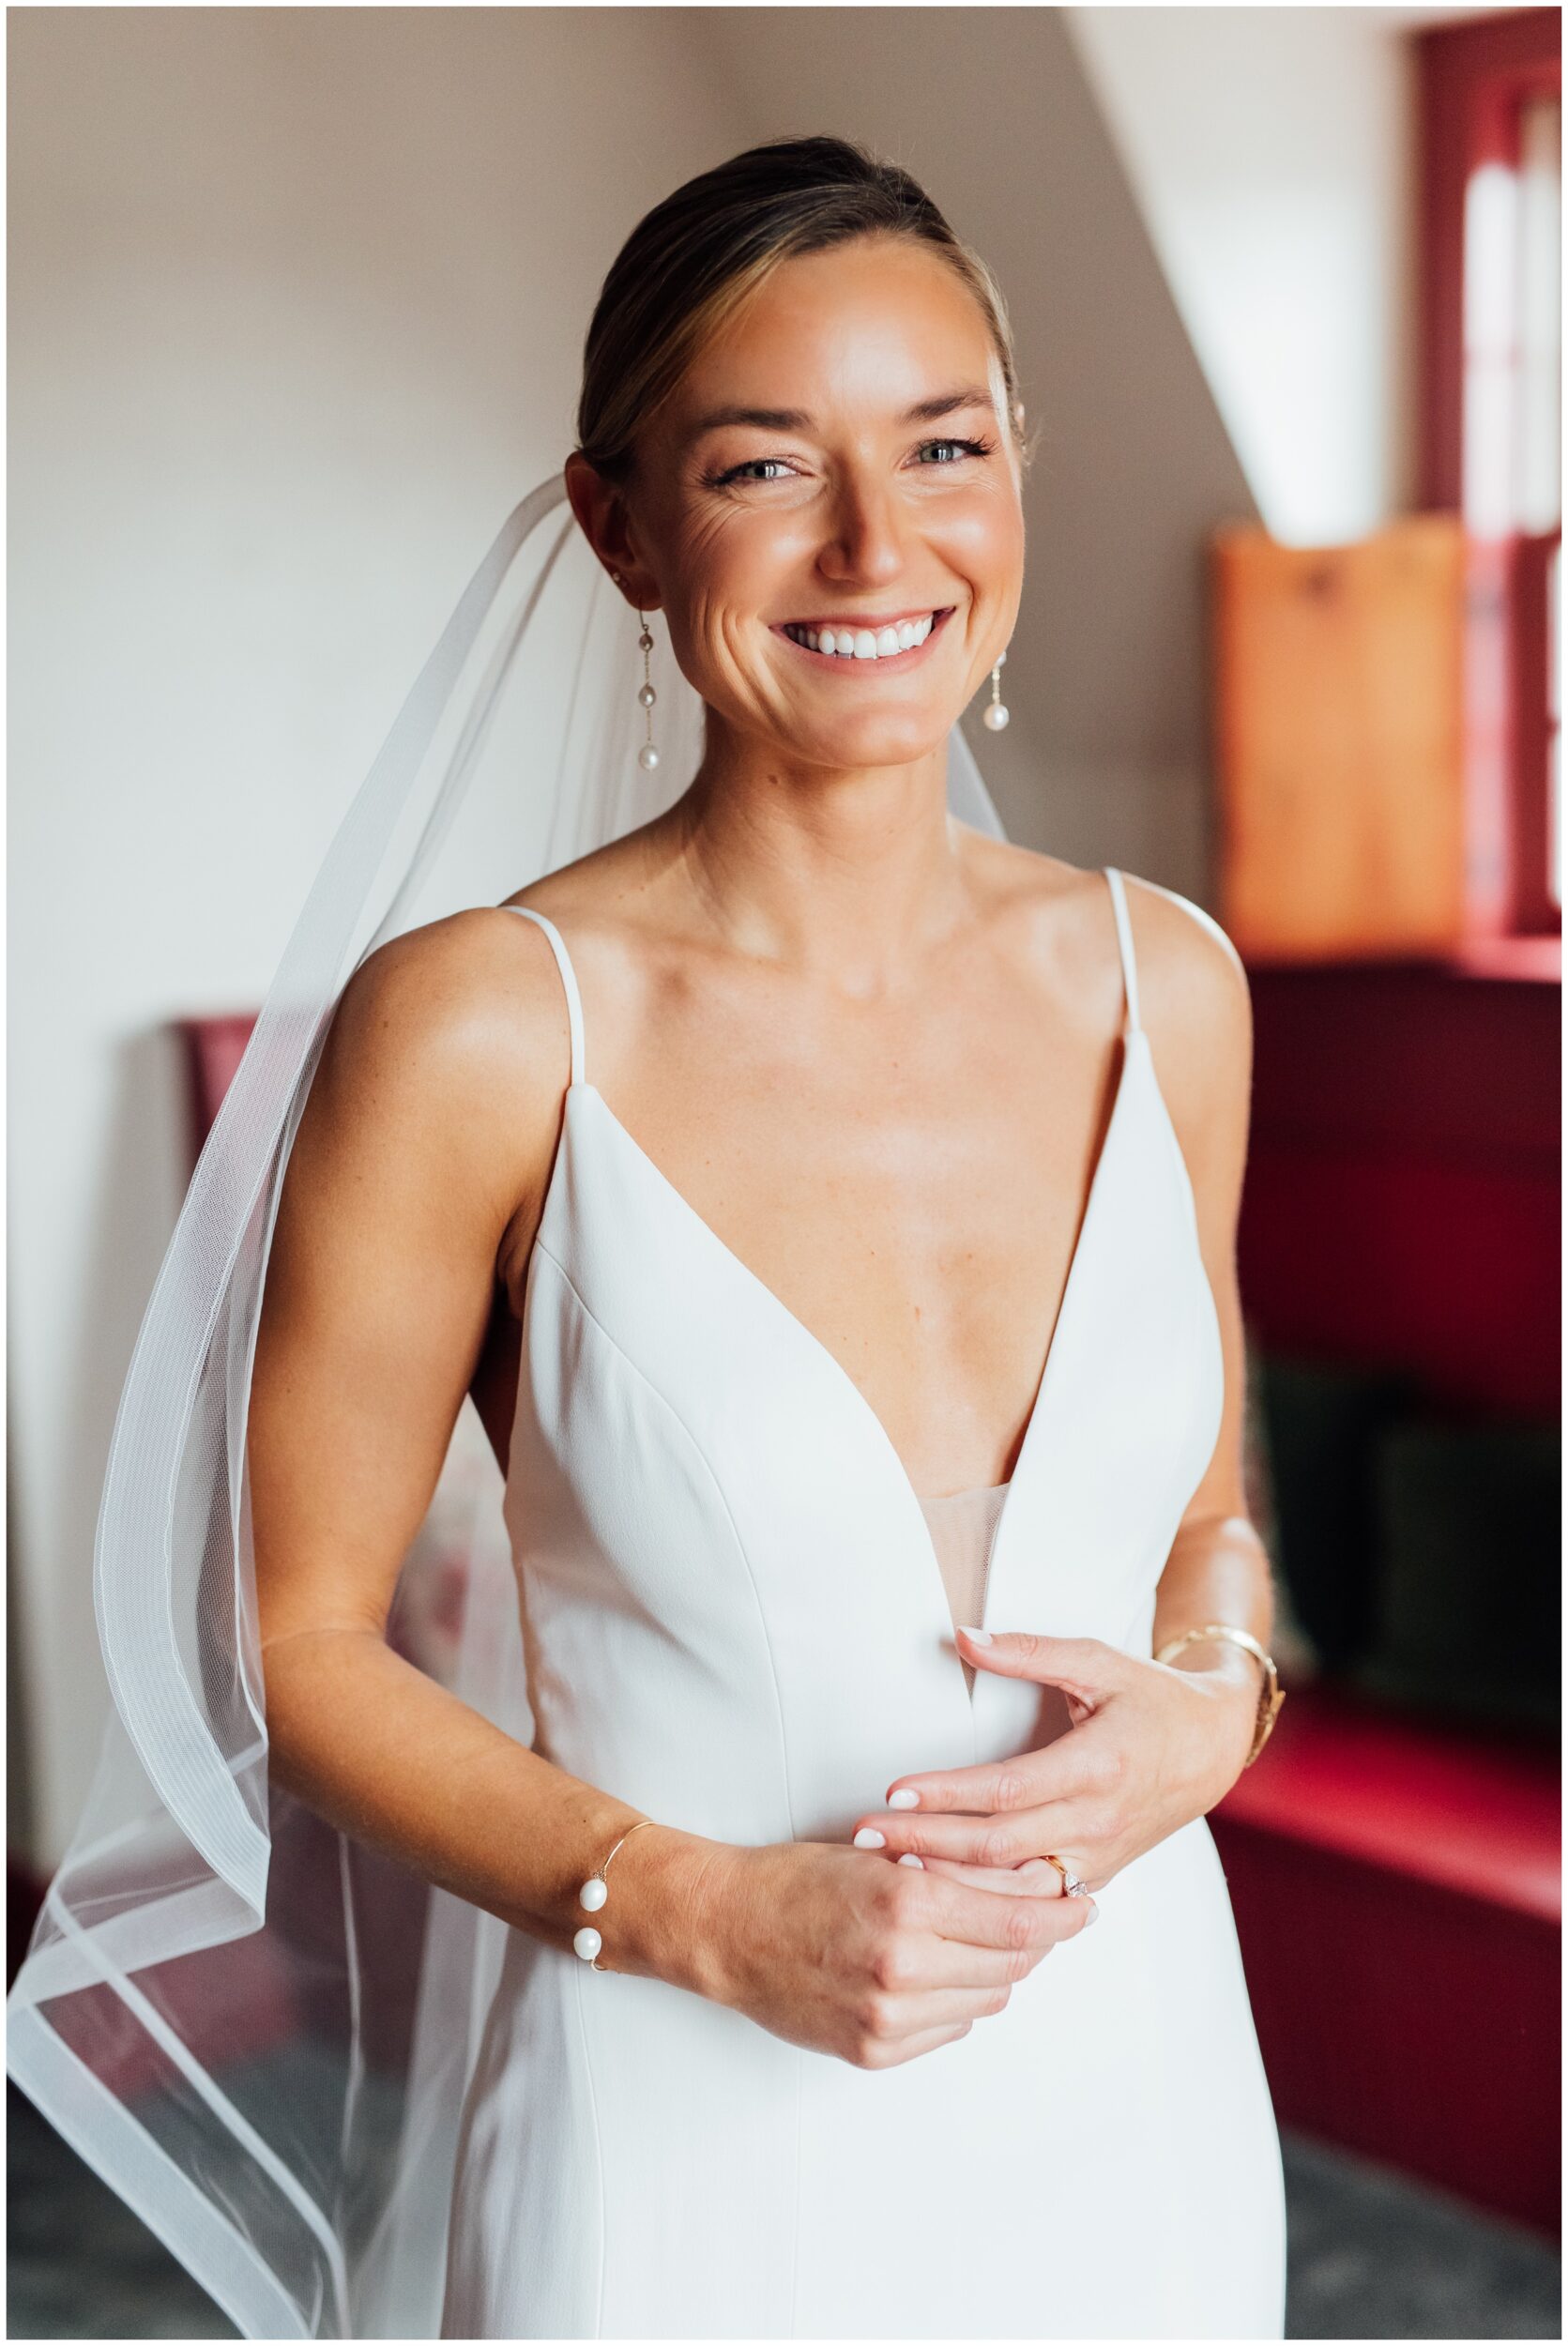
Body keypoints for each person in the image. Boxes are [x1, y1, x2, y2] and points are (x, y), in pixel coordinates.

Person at [12, 136, 1287, 2339]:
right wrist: (700, 1913)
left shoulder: (1163, 982)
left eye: (942, 445)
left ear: (1016, 469)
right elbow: (296, 1644)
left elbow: (1200, 1516)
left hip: (1134, 2075)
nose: (874, 544)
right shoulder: (479, 1029)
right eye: (764, 466)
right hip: (684, 2122)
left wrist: (1214, 1707)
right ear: (616, 524)